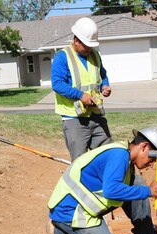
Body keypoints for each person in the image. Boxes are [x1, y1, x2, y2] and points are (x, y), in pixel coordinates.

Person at [48, 127, 157, 234]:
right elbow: (111, 191)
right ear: (144, 147)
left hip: (88, 212)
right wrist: (148, 191)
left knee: (137, 183)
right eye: (153, 158)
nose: (152, 164)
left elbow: (126, 192)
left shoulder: (126, 159)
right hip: (70, 213)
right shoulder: (118, 155)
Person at [51, 17, 112, 161]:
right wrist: (80, 95)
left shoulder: (95, 55)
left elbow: (103, 74)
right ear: (76, 40)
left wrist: (105, 85)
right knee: (80, 161)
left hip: (96, 115)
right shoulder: (62, 57)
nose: (89, 49)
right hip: (74, 119)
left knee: (108, 154)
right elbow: (57, 84)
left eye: (92, 45)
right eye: (86, 45)